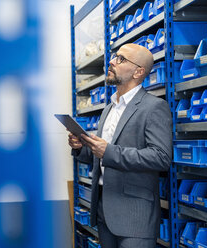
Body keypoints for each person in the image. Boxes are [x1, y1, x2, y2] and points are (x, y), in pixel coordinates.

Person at [68, 43, 172, 248]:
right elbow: (101, 157)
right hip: (104, 211)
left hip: (134, 216)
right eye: (115, 56)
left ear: (138, 71)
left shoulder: (154, 107)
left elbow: (161, 157)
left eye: (121, 59)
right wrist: (82, 147)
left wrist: (109, 151)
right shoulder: (109, 109)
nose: (112, 62)